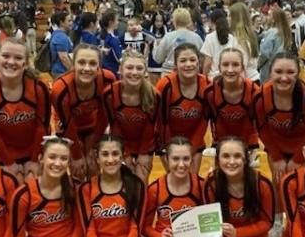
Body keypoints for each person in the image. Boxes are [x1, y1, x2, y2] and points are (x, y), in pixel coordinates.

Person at [254, 52, 305, 237]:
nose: (284, 77)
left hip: (302, 147)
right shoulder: (261, 95)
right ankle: (275, 223)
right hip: (275, 145)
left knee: (299, 185)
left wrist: (299, 159)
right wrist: (276, 157)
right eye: (278, 71)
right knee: (276, 183)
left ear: (298, 73)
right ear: (270, 72)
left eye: (290, 72)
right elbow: (262, 129)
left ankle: (295, 224)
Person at [0, 38, 51, 182]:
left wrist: (35, 160)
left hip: (34, 149)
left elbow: (42, 127)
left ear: (25, 63)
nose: (11, 62)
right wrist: (8, 162)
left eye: (18, 58)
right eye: (5, 56)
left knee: (33, 186)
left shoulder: (39, 87)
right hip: (3, 151)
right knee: (11, 185)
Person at [51, 44, 116, 181]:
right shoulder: (60, 89)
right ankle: (77, 199)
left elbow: (103, 115)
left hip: (92, 125)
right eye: (81, 62)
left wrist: (94, 146)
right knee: (78, 170)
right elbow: (67, 125)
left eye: (92, 64)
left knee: (93, 167)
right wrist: (76, 156)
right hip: (68, 128)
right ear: (73, 64)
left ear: (99, 66)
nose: (87, 68)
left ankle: (94, 199)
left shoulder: (107, 79)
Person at [103, 50, 159, 181]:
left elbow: (150, 128)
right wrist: (126, 154)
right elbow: (114, 125)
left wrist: (144, 154)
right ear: (120, 70)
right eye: (129, 67)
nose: (134, 72)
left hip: (145, 143)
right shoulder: (109, 93)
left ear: (145, 71)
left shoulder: (154, 95)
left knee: (141, 182)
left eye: (139, 68)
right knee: (123, 182)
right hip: (121, 142)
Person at [156, 44, 209, 173]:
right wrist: (171, 148)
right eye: (183, 60)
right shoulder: (165, 85)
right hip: (167, 139)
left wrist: (193, 146)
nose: (188, 64)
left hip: (194, 138)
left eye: (192, 59)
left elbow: (204, 120)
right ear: (175, 65)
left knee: (192, 180)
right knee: (175, 177)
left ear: (198, 62)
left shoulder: (207, 84)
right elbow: (161, 122)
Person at [203, 48, 260, 155]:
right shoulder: (210, 92)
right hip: (222, 145)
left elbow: (259, 124)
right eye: (225, 65)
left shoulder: (254, 91)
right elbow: (209, 122)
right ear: (219, 67)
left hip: (248, 146)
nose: (230, 70)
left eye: (235, 65)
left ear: (242, 67)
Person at [151, 7, 202, 74]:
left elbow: (158, 59)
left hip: (169, 74)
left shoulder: (168, 37)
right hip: (190, 73)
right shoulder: (197, 38)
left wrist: (156, 45)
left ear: (174, 21)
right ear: (189, 20)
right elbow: (202, 59)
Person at [228, 1, 261, 83]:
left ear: (236, 18)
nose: (227, 18)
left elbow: (241, 67)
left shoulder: (241, 40)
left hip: (247, 82)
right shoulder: (247, 36)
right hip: (251, 79)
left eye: (229, 15)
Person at [257, 7, 292, 83]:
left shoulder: (272, 33)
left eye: (269, 15)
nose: (267, 17)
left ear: (274, 19)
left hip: (269, 70)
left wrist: (257, 66)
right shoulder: (284, 32)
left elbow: (265, 54)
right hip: (281, 67)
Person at [200, 12, 238, 80]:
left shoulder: (209, 37)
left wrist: (203, 76)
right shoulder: (232, 38)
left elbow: (208, 62)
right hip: (229, 76)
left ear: (212, 22)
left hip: (213, 78)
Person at [48, 10, 74, 78]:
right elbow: (63, 57)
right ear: (62, 22)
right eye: (69, 21)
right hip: (61, 72)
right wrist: (73, 71)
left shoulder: (58, 34)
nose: (72, 23)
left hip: (61, 71)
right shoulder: (60, 36)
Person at [98, 10, 123, 75]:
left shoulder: (103, 36)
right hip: (112, 71)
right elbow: (119, 58)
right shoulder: (112, 39)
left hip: (105, 70)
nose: (118, 22)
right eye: (117, 20)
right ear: (111, 22)